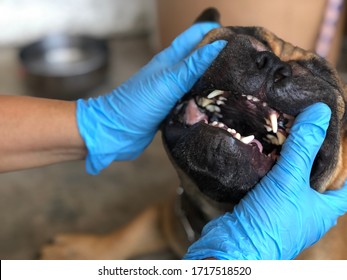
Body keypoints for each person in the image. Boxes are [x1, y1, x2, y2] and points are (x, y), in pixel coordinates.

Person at [1, 23, 347, 260]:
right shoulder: (188, 213)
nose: (272, 66)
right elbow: (171, 220)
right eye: (261, 53)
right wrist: (95, 124)